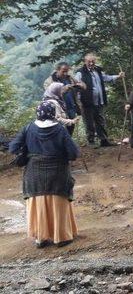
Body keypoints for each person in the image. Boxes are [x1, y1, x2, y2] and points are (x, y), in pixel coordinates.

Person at [9, 102, 80, 248]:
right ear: (53, 113)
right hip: (58, 172)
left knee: (38, 203)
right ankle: (61, 237)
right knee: (58, 203)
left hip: (34, 173)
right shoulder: (60, 130)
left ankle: (41, 238)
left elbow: (13, 148)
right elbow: (73, 153)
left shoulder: (28, 128)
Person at [74, 53, 124, 147]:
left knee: (100, 121)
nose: (91, 63)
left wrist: (118, 76)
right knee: (89, 122)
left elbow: (106, 78)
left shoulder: (98, 71)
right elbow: (76, 84)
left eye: (93, 61)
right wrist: (78, 98)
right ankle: (91, 141)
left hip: (99, 102)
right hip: (87, 102)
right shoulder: (80, 72)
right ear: (85, 62)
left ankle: (104, 140)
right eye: (89, 61)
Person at [43, 62, 85, 136]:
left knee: (71, 125)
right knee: (59, 126)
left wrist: (80, 85)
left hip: (71, 106)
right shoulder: (49, 81)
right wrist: (63, 89)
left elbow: (83, 87)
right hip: (58, 108)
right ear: (57, 70)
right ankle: (59, 143)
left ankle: (67, 141)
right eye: (63, 71)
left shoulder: (70, 78)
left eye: (67, 71)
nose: (65, 73)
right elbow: (49, 95)